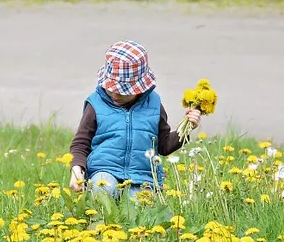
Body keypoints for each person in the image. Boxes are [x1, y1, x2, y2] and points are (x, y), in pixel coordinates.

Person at [69, 41, 201, 200]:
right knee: (103, 191)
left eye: (123, 91)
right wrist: (77, 169)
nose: (115, 94)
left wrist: (187, 127)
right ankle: (97, 223)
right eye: (111, 88)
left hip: (142, 177)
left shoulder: (154, 105)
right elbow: (81, 144)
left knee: (140, 207)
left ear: (140, 87)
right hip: (104, 170)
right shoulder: (95, 104)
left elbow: (164, 146)